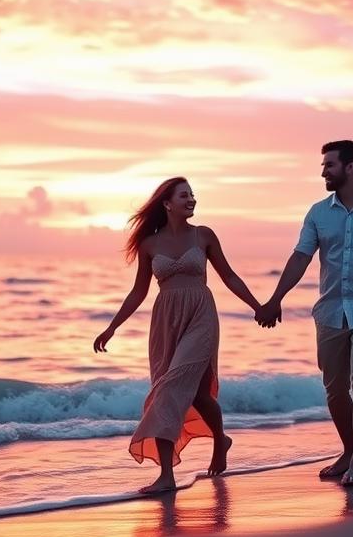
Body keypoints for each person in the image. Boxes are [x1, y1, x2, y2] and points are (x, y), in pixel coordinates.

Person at [256, 141, 353, 487]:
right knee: (334, 389)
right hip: (329, 311)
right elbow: (300, 257)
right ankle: (347, 450)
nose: (323, 171)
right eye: (323, 165)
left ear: (350, 167)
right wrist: (275, 298)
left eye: (329, 165)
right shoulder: (317, 213)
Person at [94, 177, 263, 494]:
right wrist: (112, 326)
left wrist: (258, 306)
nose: (192, 199)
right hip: (165, 321)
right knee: (191, 393)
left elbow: (228, 276)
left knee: (170, 388)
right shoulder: (150, 245)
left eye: (193, 195)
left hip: (200, 315)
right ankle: (220, 442)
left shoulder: (204, 236)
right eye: (184, 195)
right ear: (167, 203)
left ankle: (168, 477)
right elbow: (138, 292)